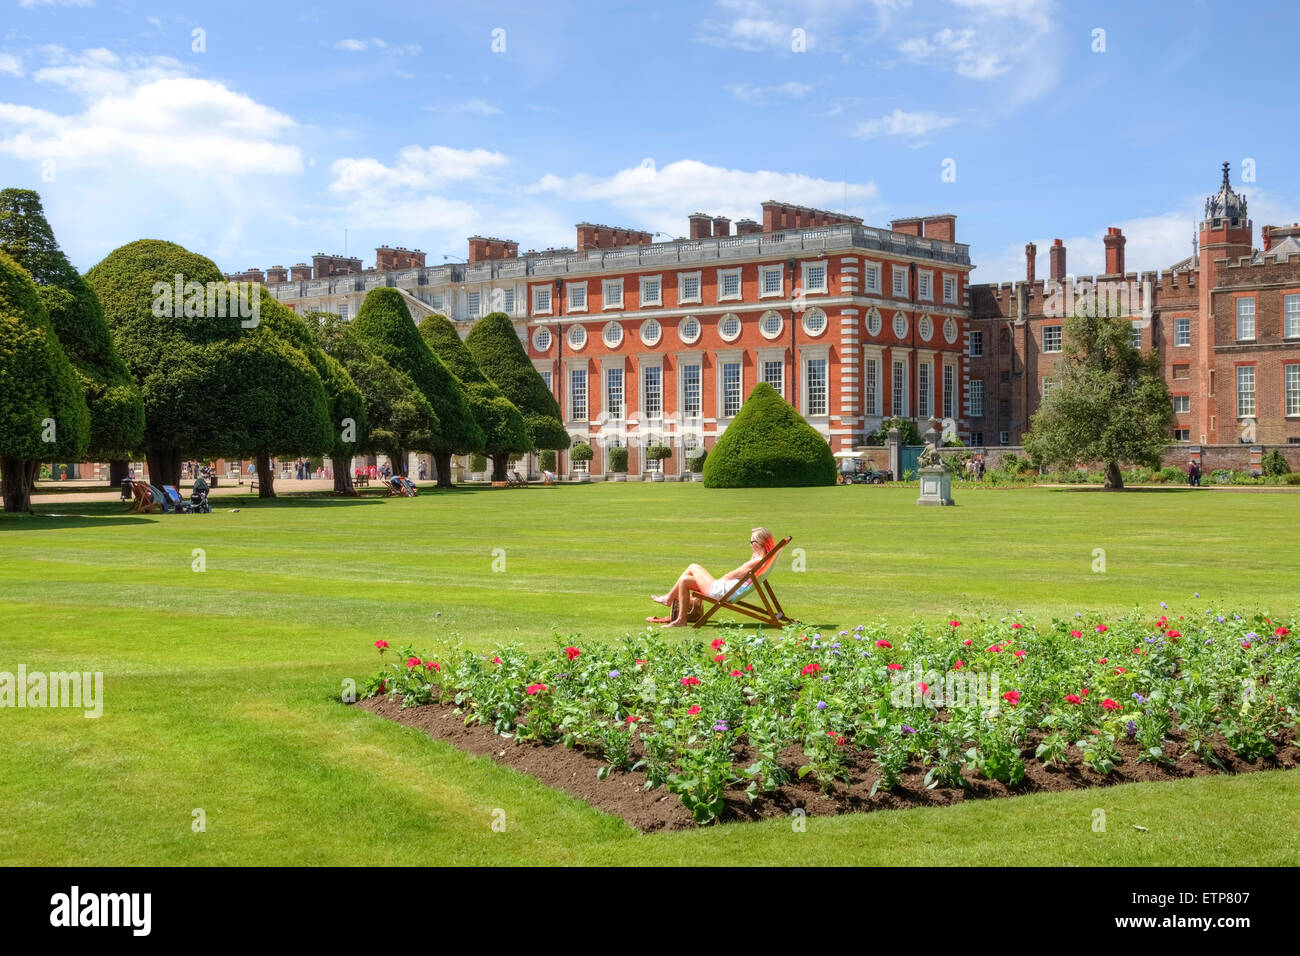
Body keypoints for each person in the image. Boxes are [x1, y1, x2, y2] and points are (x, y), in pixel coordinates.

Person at [649, 527, 777, 627]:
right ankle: (681, 619)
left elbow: (732, 574)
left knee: (693, 566)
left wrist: (718, 582)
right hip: (729, 589)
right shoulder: (763, 559)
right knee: (685, 580)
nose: (750, 545)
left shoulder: (757, 561)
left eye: (752, 542)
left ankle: (669, 599)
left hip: (723, 591)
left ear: (760, 542)